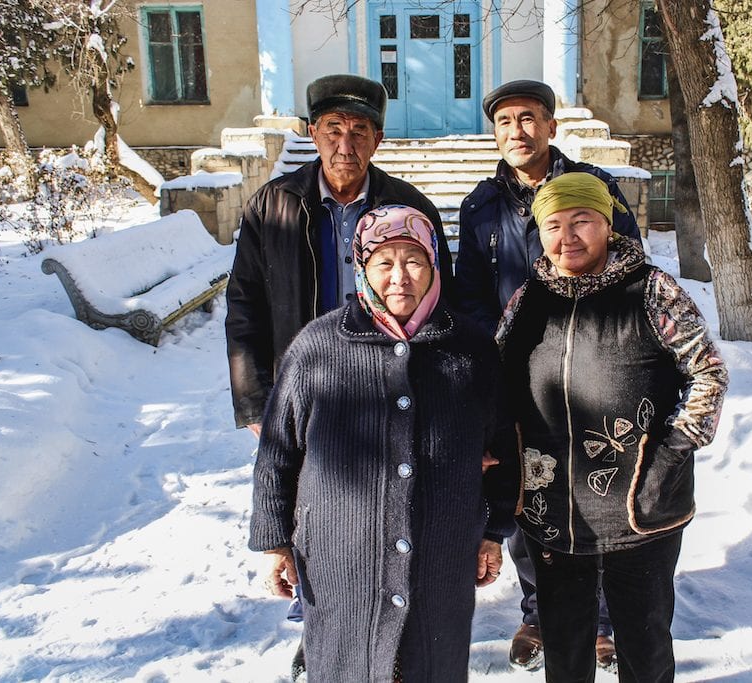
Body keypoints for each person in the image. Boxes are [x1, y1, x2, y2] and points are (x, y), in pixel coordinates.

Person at [226, 74, 454, 678]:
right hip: (306, 390)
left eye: (359, 131)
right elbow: (245, 305)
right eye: (332, 130)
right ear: (311, 133)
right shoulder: (273, 204)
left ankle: (384, 625)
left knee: (379, 509)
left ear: (378, 139)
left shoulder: (410, 208)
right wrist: (256, 403)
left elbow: (441, 306)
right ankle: (325, 626)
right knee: (312, 510)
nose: (345, 144)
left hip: (389, 382)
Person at [249, 205, 517, 682]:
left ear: (434, 266)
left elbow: (505, 447)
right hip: (339, 556)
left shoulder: (472, 347)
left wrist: (494, 531)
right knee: (344, 665)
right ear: (362, 268)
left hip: (442, 553)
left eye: (413, 260)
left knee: (431, 663)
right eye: (384, 262)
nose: (400, 277)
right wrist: (275, 541)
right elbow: (278, 452)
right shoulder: (318, 347)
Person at [497, 173, 729, 682]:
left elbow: (707, 372)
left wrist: (671, 454)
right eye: (553, 225)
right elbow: (498, 381)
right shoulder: (527, 299)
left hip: (641, 505)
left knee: (643, 644)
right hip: (551, 506)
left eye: (582, 221)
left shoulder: (650, 289)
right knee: (563, 645)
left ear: (607, 223)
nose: (568, 237)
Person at [454, 79, 640, 671]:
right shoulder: (480, 206)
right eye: (505, 121)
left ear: (551, 127)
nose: (518, 131)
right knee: (530, 497)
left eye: (529, 118)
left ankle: (603, 622)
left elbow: (630, 261)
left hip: (594, 365)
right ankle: (540, 612)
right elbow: (469, 294)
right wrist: (501, 345)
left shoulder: (593, 187)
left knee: (597, 489)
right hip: (520, 376)